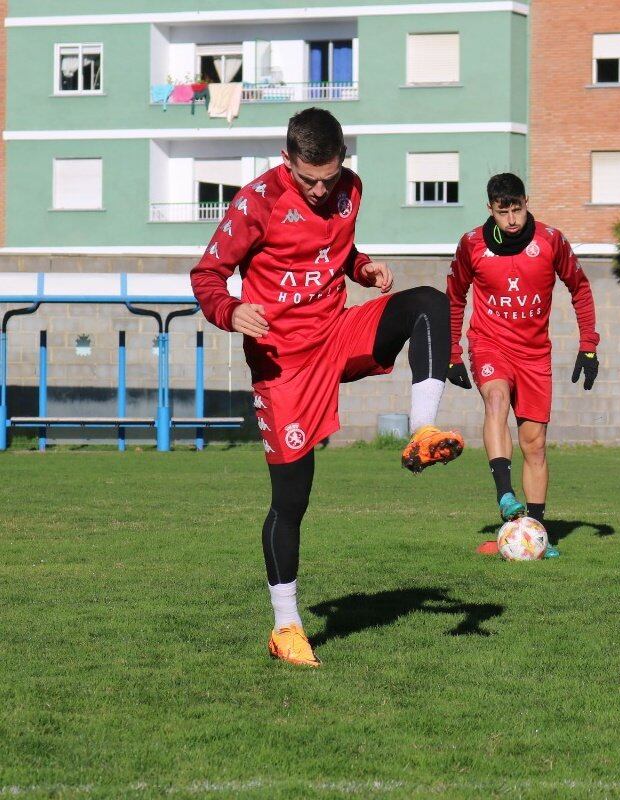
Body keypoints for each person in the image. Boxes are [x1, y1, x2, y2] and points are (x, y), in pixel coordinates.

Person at [190, 108, 465, 668]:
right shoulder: (255, 203)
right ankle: (286, 625)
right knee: (292, 501)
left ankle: (422, 430)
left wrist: (362, 270)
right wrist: (231, 310)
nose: (321, 190)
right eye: (309, 179)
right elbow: (206, 275)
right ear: (287, 159)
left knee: (430, 304)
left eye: (330, 177)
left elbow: (334, 254)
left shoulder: (350, 190)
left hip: (336, 334)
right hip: (283, 364)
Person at [446, 173, 599, 554]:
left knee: (535, 444)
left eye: (517, 209)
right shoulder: (472, 245)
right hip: (489, 344)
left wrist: (589, 346)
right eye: (503, 212)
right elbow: (454, 296)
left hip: (534, 355)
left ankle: (535, 533)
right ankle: (504, 495)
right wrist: (451, 353)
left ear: (527, 202)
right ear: (490, 210)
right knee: (495, 400)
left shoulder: (551, 241)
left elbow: (579, 288)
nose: (512, 219)